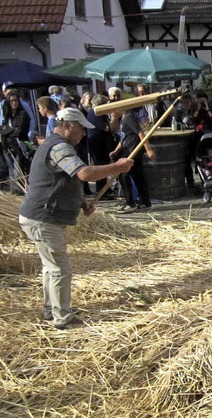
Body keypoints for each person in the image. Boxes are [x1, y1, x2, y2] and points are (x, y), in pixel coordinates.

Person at [18, 107, 133, 330]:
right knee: (60, 269)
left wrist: (81, 203)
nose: (84, 133)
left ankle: (51, 309)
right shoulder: (60, 147)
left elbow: (62, 181)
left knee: (50, 267)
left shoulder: (57, 145)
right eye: (81, 128)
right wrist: (117, 167)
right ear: (68, 126)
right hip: (43, 217)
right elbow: (84, 174)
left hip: (41, 216)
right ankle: (63, 319)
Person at [109, 107, 155, 213]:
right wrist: (115, 152)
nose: (112, 113)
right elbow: (123, 139)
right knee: (138, 177)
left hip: (133, 153)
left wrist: (148, 150)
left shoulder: (128, 118)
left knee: (124, 176)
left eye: (113, 110)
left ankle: (130, 202)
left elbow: (140, 133)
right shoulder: (123, 120)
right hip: (128, 152)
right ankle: (145, 202)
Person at [86, 94, 117, 199]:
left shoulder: (95, 113)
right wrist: (114, 117)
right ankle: (101, 192)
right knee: (101, 168)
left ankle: (105, 189)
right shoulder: (96, 114)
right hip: (99, 146)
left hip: (99, 144)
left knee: (102, 167)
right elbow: (110, 128)